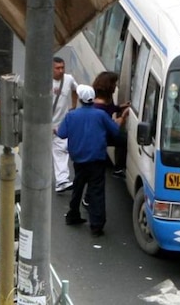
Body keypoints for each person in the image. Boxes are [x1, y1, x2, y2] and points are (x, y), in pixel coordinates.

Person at [57, 84, 127, 237]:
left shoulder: (71, 116)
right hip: (97, 158)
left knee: (78, 186)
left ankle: (73, 214)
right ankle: (96, 225)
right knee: (96, 191)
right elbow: (115, 131)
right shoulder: (100, 115)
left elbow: (62, 134)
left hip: (79, 159)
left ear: (81, 99)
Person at [91, 71, 126, 176]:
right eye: (114, 84)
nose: (116, 86)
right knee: (124, 141)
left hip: (105, 131)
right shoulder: (99, 106)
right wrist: (123, 117)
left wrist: (120, 107)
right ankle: (118, 168)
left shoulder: (107, 99)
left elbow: (110, 108)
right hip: (100, 135)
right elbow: (113, 127)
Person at [51, 57, 77, 192]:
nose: (61, 71)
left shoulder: (69, 79)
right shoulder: (43, 81)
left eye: (62, 68)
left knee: (60, 150)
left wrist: (74, 106)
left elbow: (75, 90)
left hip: (60, 124)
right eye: (57, 68)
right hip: (43, 124)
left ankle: (61, 181)